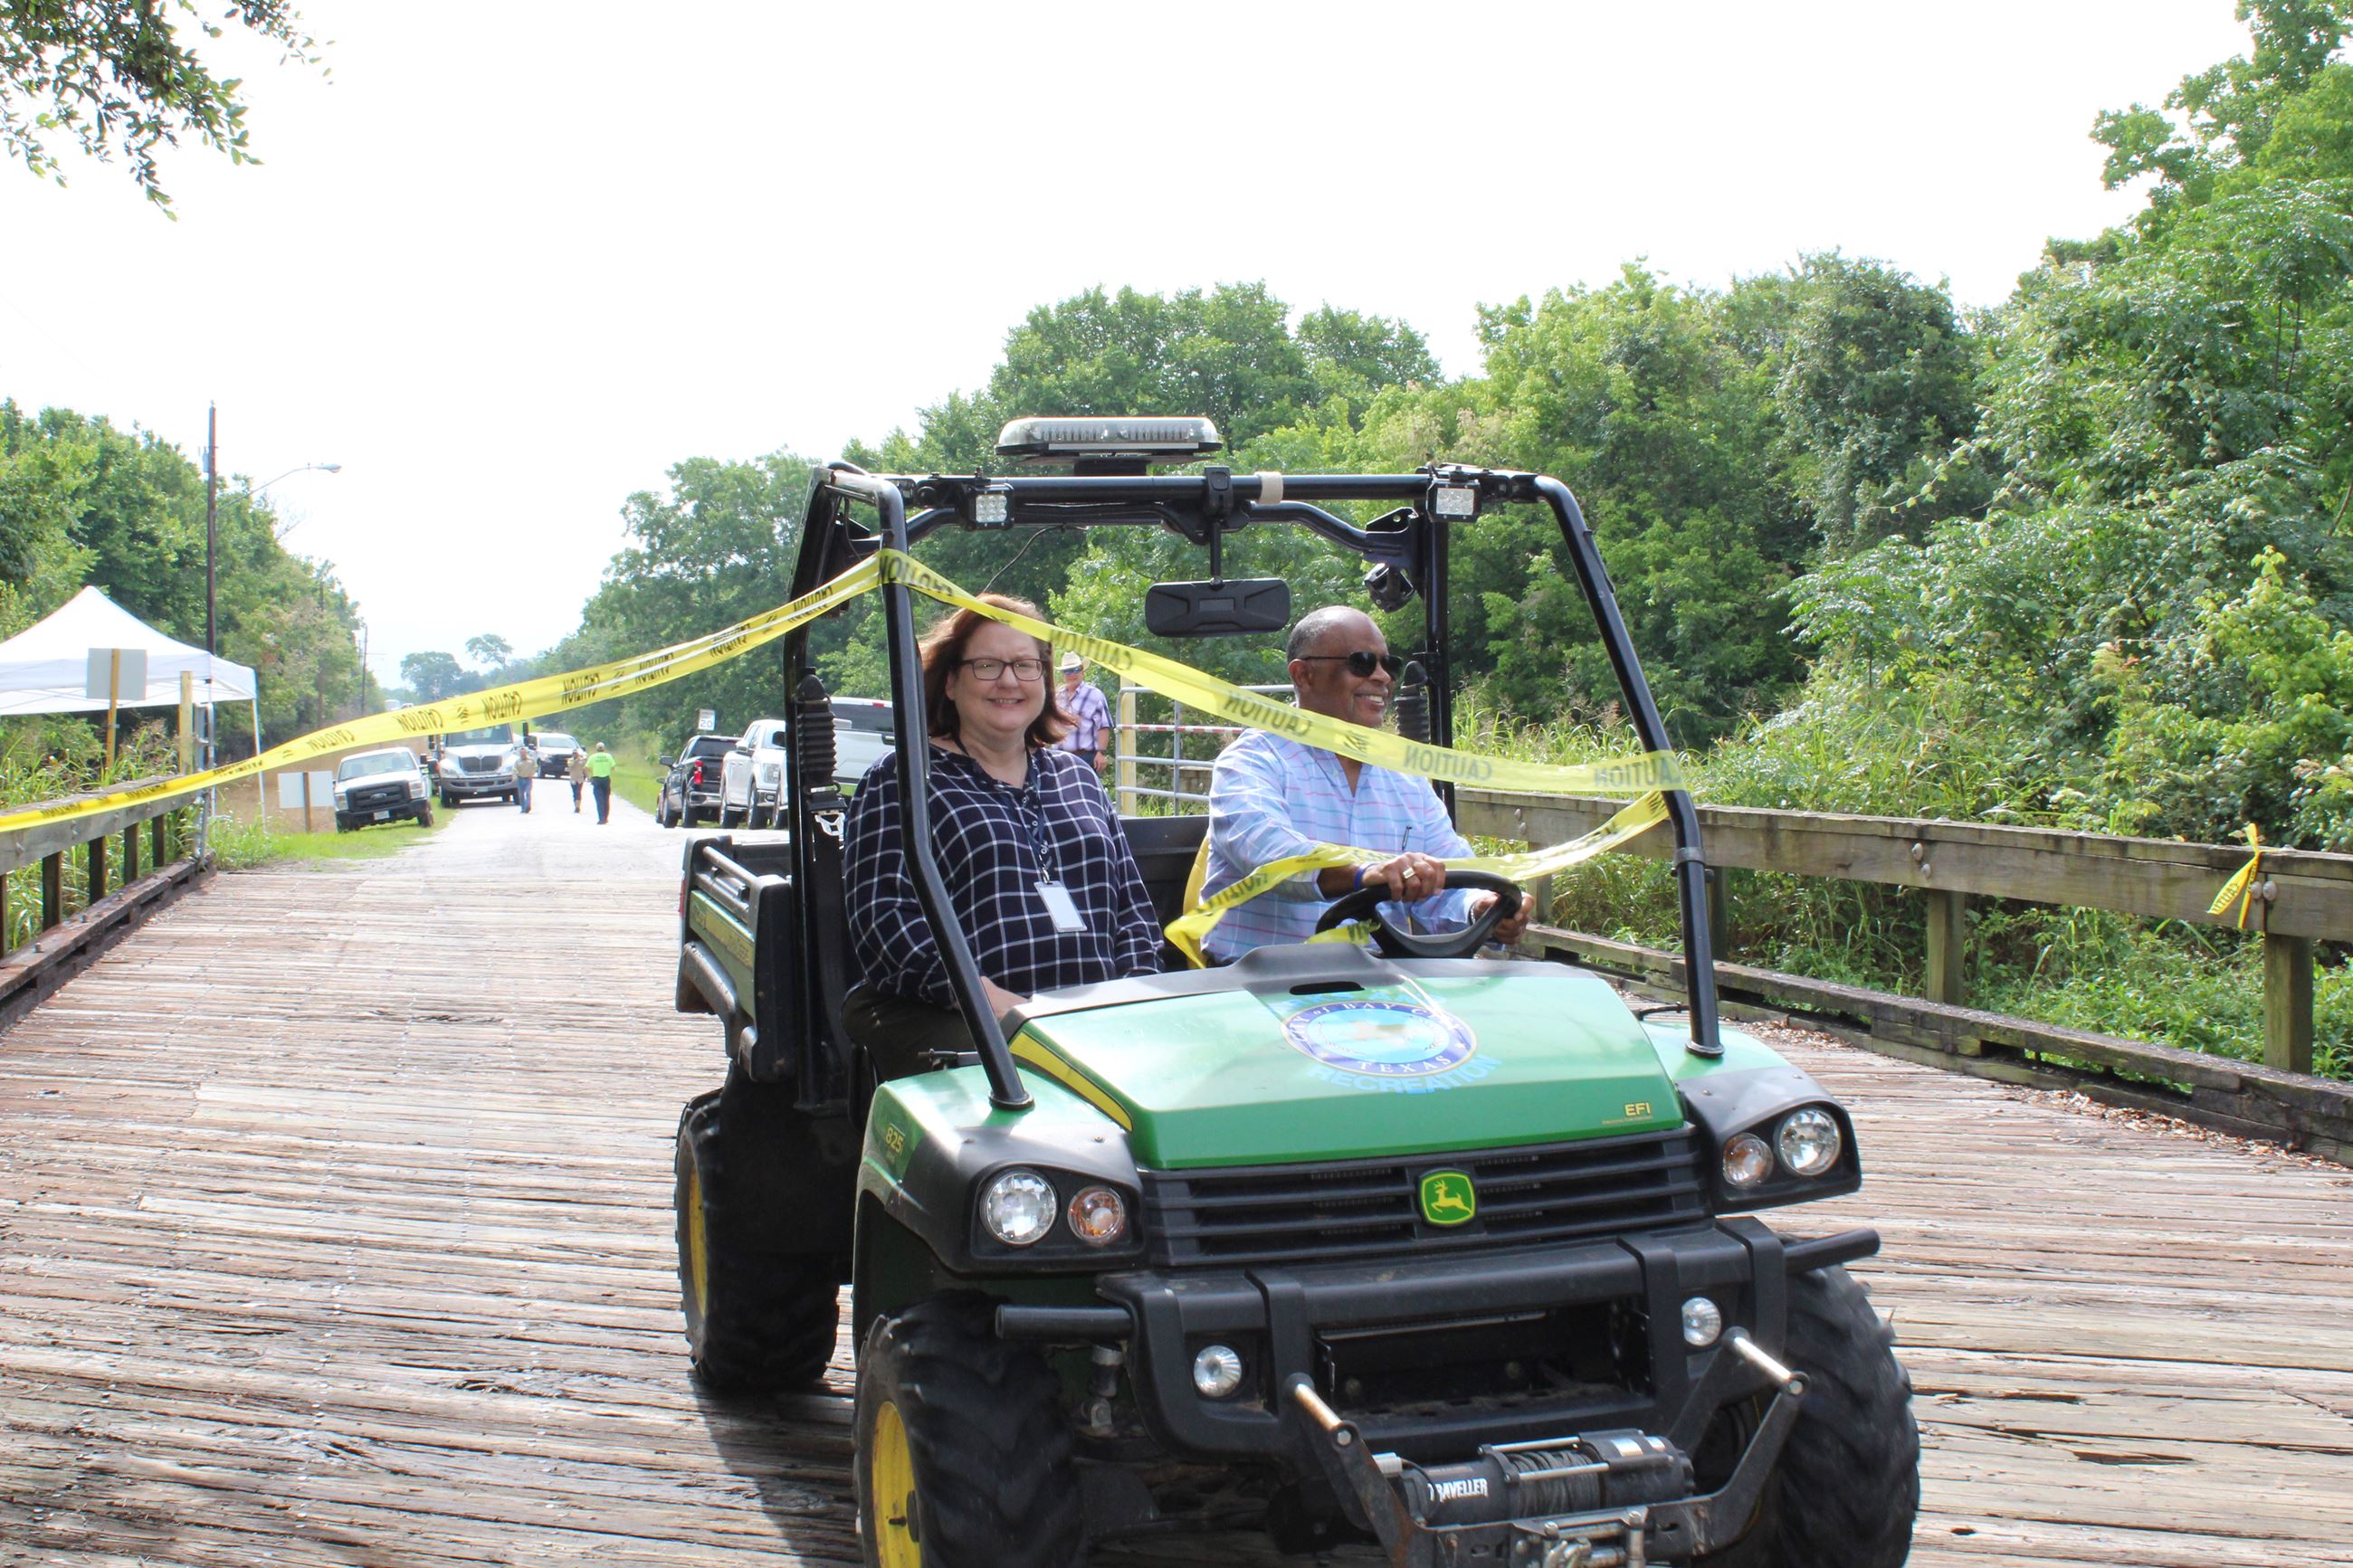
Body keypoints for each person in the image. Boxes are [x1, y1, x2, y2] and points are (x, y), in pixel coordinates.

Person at [844, 594, 1161, 1079]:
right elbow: (884, 922)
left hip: (1094, 1014)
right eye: (988, 665)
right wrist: (990, 1001)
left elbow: (1131, 908)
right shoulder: (903, 779)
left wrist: (1135, 996)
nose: (1009, 681)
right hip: (963, 1012)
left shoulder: (1076, 777)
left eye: (1025, 665)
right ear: (950, 681)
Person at [1200, 605, 1534, 962]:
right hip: (1258, 979)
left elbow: (1451, 873)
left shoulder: (1405, 778)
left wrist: (1479, 906)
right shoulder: (1253, 760)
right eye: (1361, 663)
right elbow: (1268, 856)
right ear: (1303, 675)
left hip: (1379, 982)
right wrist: (1365, 875)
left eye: (1388, 665)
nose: (1383, 677)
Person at [1052, 651, 1111, 778]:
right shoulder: (1056, 696)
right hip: (1059, 758)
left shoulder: (1095, 695)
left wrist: (1101, 753)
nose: (1072, 674)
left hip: (1085, 758)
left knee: (1086, 796)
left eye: (1075, 670)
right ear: (1063, 675)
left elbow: (1103, 726)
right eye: (1068, 671)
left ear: (1082, 671)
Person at [586, 741, 614, 823]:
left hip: (597, 779)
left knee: (599, 800)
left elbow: (586, 768)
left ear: (596, 749)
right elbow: (613, 768)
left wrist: (588, 778)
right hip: (606, 779)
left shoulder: (593, 757)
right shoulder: (608, 756)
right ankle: (606, 817)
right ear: (604, 748)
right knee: (606, 799)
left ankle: (601, 818)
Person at [514, 736, 536, 813]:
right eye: (521, 753)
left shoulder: (531, 760)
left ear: (526, 753)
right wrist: (514, 776)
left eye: (524, 753)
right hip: (520, 779)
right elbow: (514, 769)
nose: (522, 754)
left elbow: (535, 767)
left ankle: (527, 806)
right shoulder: (517, 761)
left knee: (528, 793)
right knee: (521, 795)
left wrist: (532, 774)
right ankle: (523, 808)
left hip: (528, 779)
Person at [567, 746, 588, 812]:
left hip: (580, 779)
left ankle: (578, 807)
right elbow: (571, 765)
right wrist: (575, 760)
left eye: (576, 753)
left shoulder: (581, 760)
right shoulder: (570, 760)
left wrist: (588, 776)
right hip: (573, 778)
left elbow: (584, 769)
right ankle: (575, 805)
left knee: (578, 792)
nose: (575, 755)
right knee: (574, 793)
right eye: (573, 753)